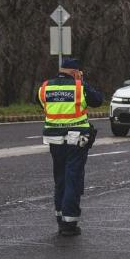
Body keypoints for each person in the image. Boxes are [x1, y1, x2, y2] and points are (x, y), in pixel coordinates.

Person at [36, 58, 103, 236]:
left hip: (54, 140)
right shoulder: (80, 87)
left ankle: (60, 217)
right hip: (76, 139)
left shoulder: (45, 87)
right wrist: (81, 81)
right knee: (73, 177)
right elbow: (98, 100)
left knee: (60, 178)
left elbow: (40, 103)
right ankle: (69, 223)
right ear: (75, 72)